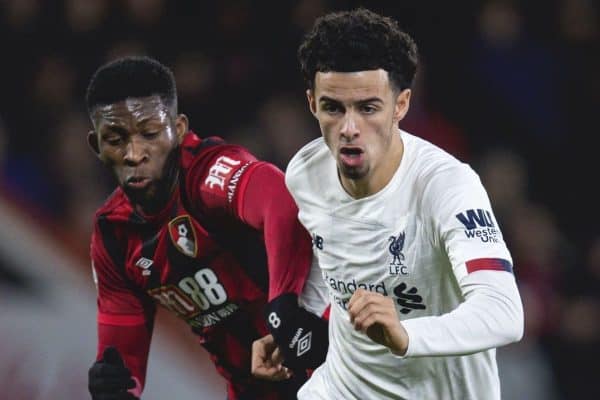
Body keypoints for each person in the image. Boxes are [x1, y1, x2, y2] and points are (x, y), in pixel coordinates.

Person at [252, 8, 524, 399]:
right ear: (312, 103)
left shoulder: (445, 186)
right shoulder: (305, 174)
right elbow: (330, 257)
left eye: (367, 108)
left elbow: (504, 314)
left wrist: (406, 334)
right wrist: (297, 322)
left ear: (401, 105)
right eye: (333, 107)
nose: (348, 128)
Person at [84, 56, 329, 400]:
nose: (134, 153)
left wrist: (285, 303)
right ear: (97, 146)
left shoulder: (205, 174)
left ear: (179, 129)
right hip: (254, 390)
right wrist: (113, 385)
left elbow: (281, 199)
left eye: (150, 134)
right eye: (116, 139)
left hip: (329, 358)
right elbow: (124, 358)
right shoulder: (113, 235)